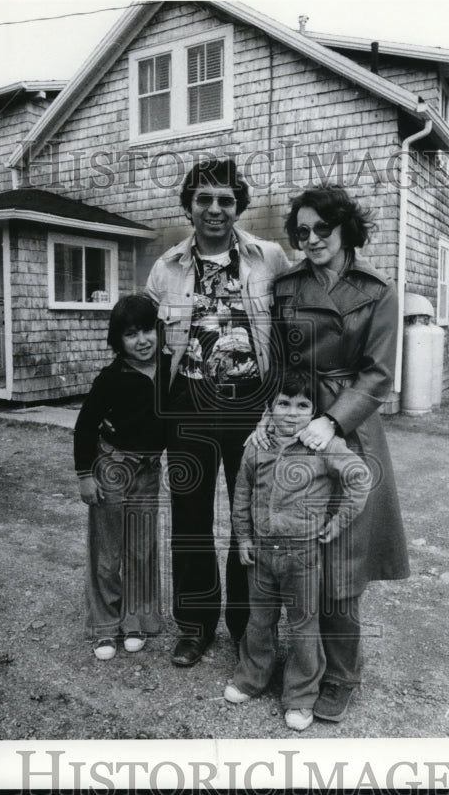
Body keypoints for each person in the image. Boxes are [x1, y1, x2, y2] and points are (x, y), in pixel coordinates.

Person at [270, 184, 410, 722]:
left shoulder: (378, 291)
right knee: (301, 549)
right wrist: (283, 421)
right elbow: (279, 362)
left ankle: (343, 674)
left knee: (344, 557)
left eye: (321, 229)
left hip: (351, 430)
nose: (310, 240)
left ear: (345, 229)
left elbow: (378, 375)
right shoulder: (287, 288)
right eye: (301, 232)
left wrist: (332, 422)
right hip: (299, 424)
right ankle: (304, 663)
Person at [145, 158, 290, 667]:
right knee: (190, 520)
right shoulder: (165, 269)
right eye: (203, 199)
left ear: (238, 205)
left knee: (248, 518)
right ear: (188, 205)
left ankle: (247, 628)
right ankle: (195, 626)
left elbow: (292, 328)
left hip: (250, 409)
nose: (214, 209)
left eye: (225, 199)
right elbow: (151, 353)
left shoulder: (269, 258)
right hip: (187, 409)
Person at [223, 370, 371, 732]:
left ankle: (301, 695)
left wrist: (336, 523)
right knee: (259, 621)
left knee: (304, 625)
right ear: (269, 409)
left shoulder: (323, 446)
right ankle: (251, 677)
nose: (291, 413)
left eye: (303, 405)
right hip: (260, 553)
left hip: (303, 555)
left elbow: (359, 478)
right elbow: (241, 493)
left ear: (315, 412)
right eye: (283, 404)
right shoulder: (257, 445)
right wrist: (243, 537)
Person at [74, 294, 171, 660]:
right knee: (107, 551)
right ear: (118, 340)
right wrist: (86, 475)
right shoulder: (111, 378)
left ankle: (136, 620)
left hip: (148, 472)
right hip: (111, 468)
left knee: (142, 550)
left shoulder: (169, 368)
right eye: (131, 334)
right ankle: (103, 626)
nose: (142, 340)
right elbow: (84, 427)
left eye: (148, 330)